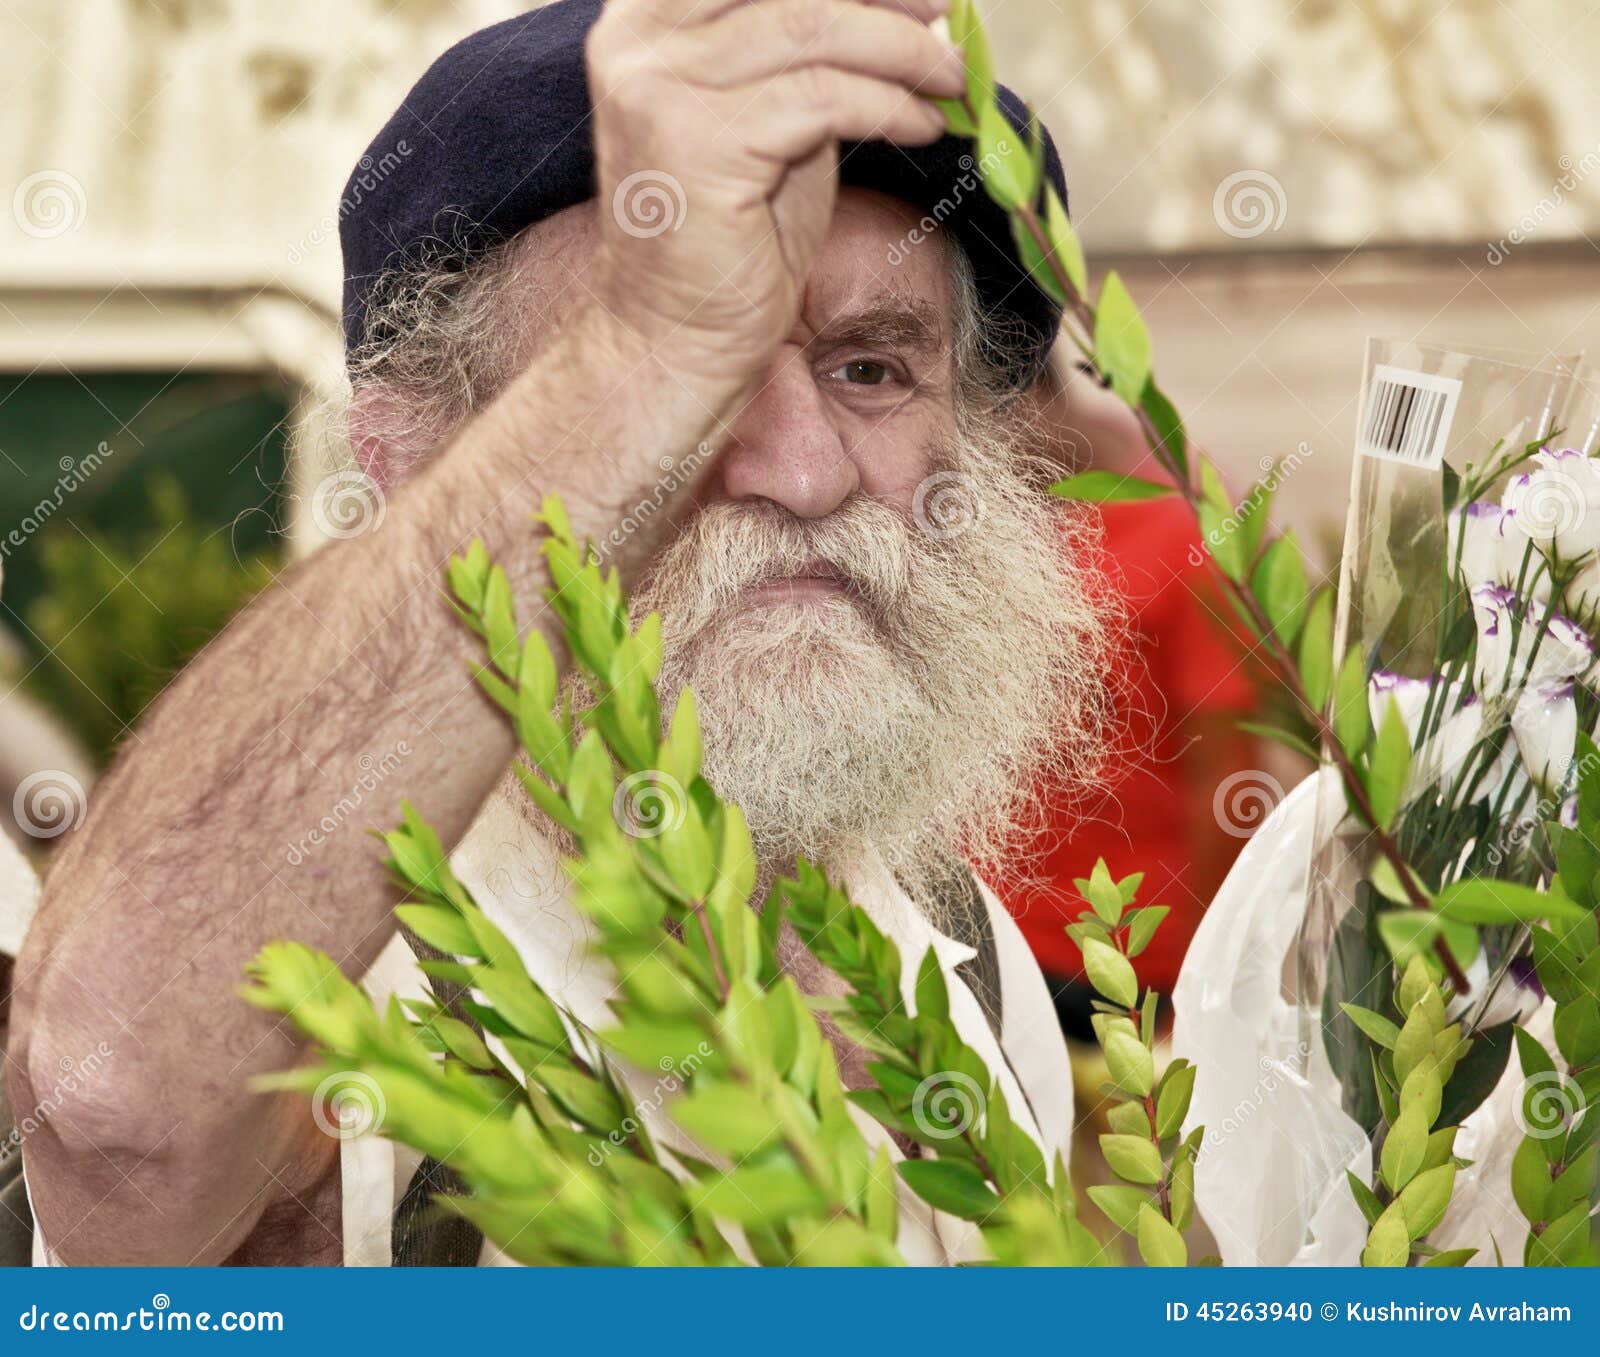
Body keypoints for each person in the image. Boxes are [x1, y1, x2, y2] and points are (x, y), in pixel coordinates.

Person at [7, 0, 1118, 1265]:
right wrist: (649, 346)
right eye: (683, 389)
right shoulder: (350, 970)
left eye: (869, 368)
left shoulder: (955, 951)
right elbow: (111, 1106)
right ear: (407, 460)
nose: (805, 472)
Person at [1003, 359, 1257, 1037]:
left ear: (1031, 390)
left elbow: (1225, 779)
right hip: (994, 939)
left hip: (1128, 962)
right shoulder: (973, 525)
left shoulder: (1178, 530)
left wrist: (1209, 979)